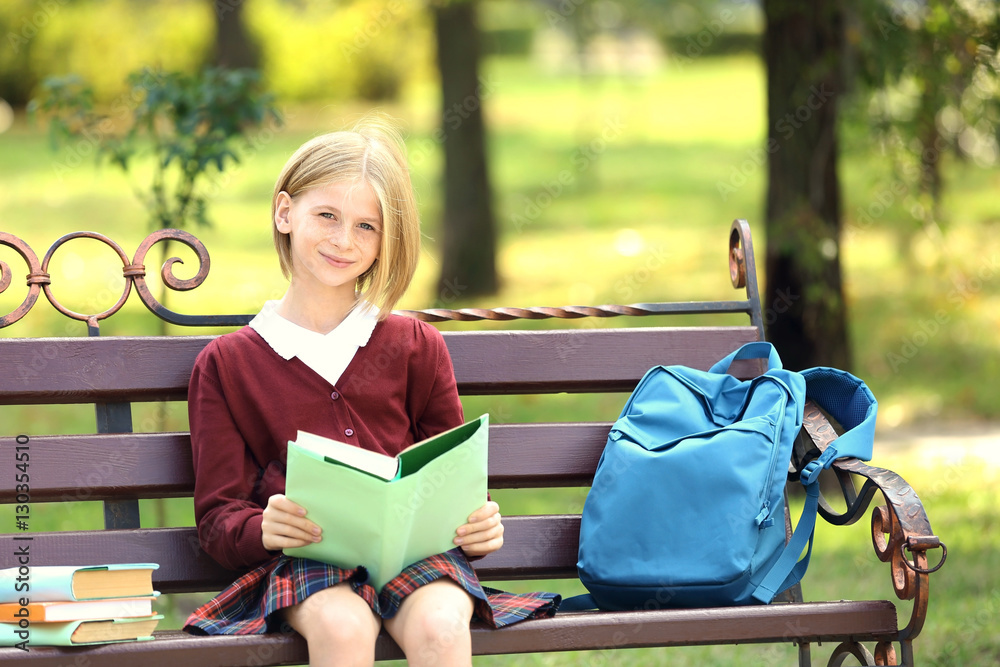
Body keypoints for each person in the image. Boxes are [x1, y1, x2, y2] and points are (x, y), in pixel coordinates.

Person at [183, 118, 559, 666]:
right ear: (285, 213)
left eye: (367, 226)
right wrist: (264, 526)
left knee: (441, 625)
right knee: (343, 625)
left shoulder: (414, 345)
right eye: (327, 216)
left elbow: (450, 477)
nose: (343, 240)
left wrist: (476, 523)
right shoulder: (227, 364)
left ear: (388, 240)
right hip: (307, 560)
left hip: (416, 556)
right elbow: (218, 520)